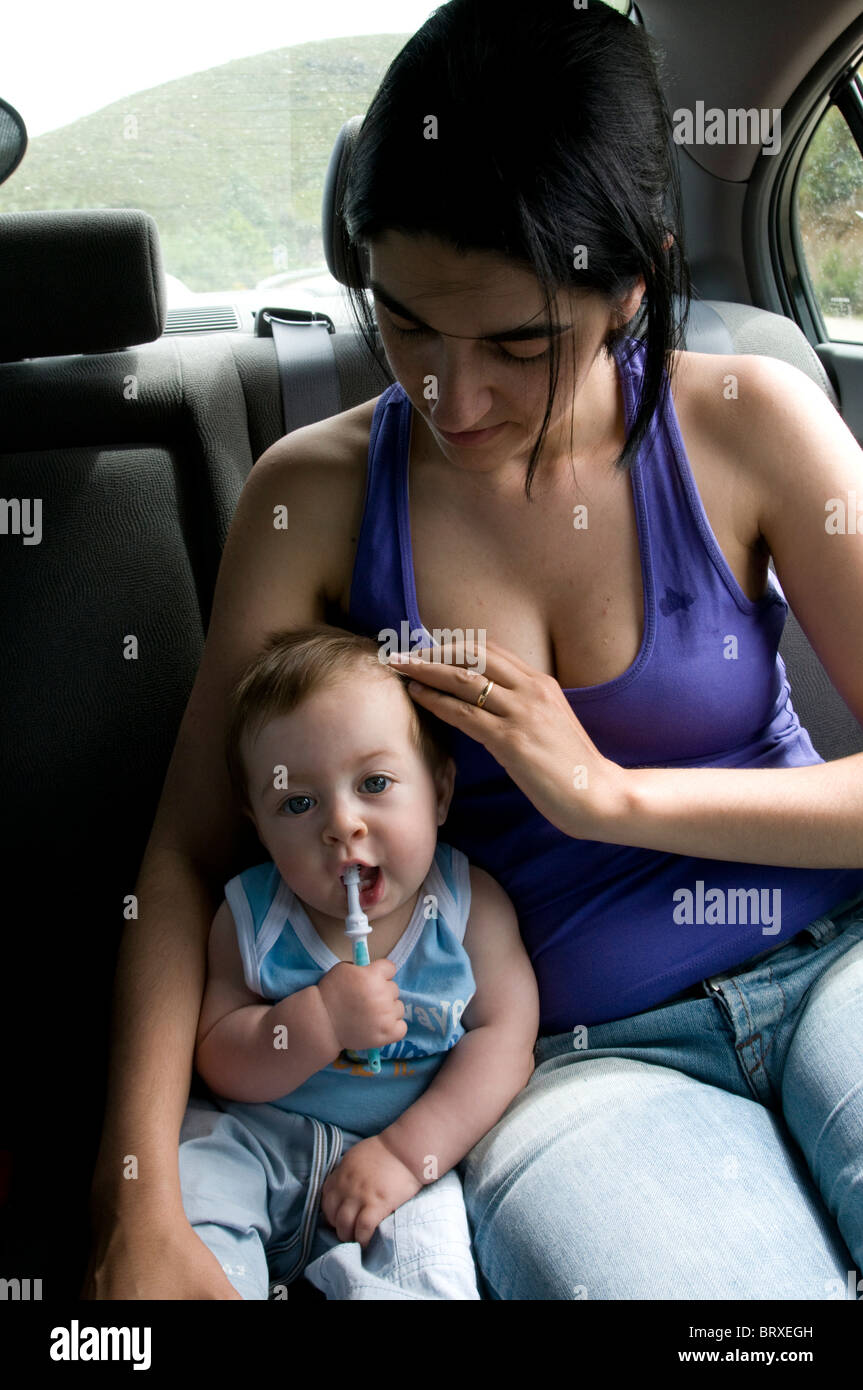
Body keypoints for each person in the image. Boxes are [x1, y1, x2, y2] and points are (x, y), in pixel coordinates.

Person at [82, 0, 863, 1300]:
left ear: (631, 285)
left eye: (516, 343)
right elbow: (184, 856)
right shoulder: (313, 497)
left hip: (837, 955)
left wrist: (605, 795)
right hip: (566, 1055)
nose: (453, 397)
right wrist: (135, 1199)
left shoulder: (746, 424)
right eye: (403, 326)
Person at [176, 624, 537, 1299]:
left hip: (398, 1166)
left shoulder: (469, 908)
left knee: (431, 1269)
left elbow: (505, 1041)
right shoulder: (250, 916)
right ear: (256, 824)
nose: (341, 824)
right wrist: (317, 1020)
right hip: (257, 1142)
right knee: (194, 1193)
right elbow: (217, 1056)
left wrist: (405, 1155)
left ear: (439, 792)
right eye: (298, 802)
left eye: (374, 782)